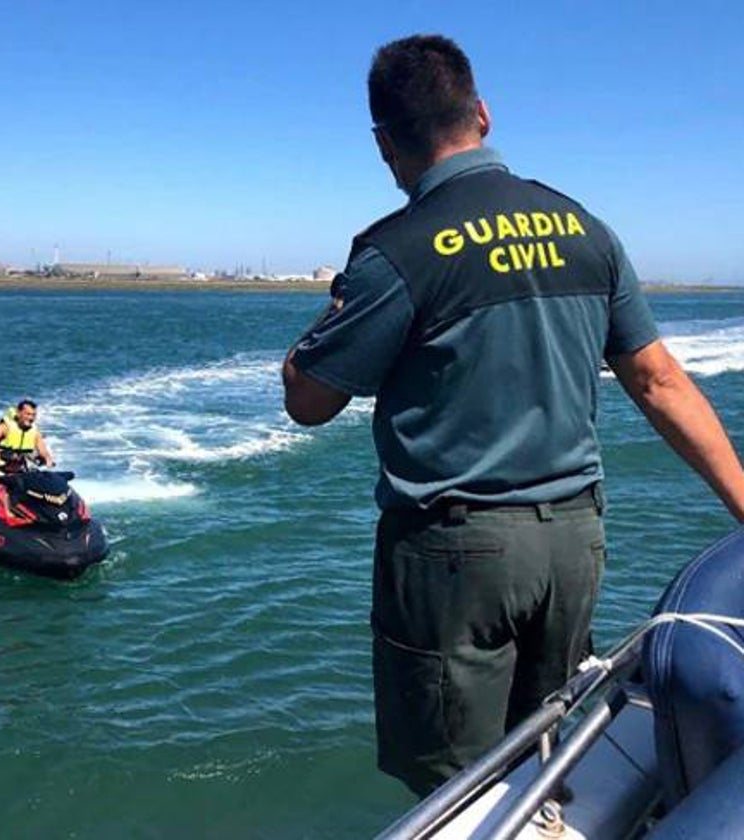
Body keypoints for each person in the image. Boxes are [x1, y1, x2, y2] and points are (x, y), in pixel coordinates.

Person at [281, 33, 744, 797]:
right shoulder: (583, 228)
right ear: (483, 114)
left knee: (455, 778)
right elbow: (659, 380)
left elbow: (310, 402)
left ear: (384, 144)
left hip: (458, 557)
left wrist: (321, 325)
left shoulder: (397, 251)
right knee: (548, 741)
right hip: (573, 543)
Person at [0, 400, 56, 519]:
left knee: (39, 487)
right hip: (0, 469)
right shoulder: (6, 427)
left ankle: (39, 517)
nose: (31, 418)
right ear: (19, 413)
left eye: (33, 415)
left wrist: (48, 459)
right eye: (27, 414)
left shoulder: (34, 431)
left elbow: (43, 450)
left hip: (20, 470)